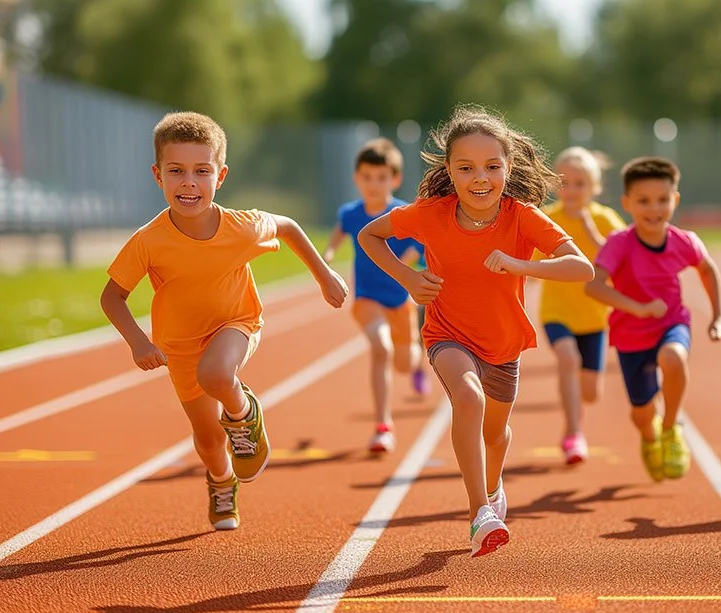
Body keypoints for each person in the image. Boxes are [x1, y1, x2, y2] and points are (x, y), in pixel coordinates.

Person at [358, 104, 594, 558]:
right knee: (468, 399)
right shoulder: (430, 213)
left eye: (491, 166)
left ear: (508, 168)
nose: (479, 178)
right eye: (466, 168)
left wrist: (520, 264)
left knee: (495, 433)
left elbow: (581, 267)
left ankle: (493, 483)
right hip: (448, 333)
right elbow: (371, 235)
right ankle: (478, 513)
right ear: (449, 170)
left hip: (504, 343)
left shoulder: (522, 216)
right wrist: (407, 278)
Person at [100, 111, 348, 531]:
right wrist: (138, 342)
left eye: (202, 171)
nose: (189, 183)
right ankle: (220, 480)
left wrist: (325, 275)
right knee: (209, 439)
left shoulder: (242, 227)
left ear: (221, 175)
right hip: (178, 343)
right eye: (176, 172)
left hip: (237, 321)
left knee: (216, 374)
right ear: (157, 175)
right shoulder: (149, 240)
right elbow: (112, 297)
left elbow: (286, 226)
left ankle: (244, 412)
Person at [585, 157, 721, 482]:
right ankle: (649, 437)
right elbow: (593, 286)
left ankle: (671, 427)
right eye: (644, 201)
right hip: (631, 335)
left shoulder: (684, 240)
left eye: (663, 200)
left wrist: (718, 315)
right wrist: (639, 308)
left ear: (674, 200)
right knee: (641, 412)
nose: (654, 209)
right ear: (627, 204)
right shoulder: (619, 244)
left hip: (671, 323)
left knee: (673, 357)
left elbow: (707, 269)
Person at [322, 137, 430, 454]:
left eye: (381, 177)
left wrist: (405, 261)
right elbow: (341, 230)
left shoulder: (402, 212)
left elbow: (422, 242)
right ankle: (383, 425)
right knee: (379, 348)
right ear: (357, 178)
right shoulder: (351, 212)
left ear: (394, 179)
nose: (373, 184)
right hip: (367, 298)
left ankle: (418, 361)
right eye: (367, 177)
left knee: (404, 363)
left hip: (400, 300)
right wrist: (327, 255)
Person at [539, 147, 625, 465]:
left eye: (580, 184)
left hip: (593, 316)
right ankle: (573, 432)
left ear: (594, 188)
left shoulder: (605, 219)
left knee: (591, 392)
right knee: (566, 357)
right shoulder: (548, 219)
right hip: (556, 312)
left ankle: (578, 417)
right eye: (565, 183)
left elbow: (622, 262)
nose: (571, 190)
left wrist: (591, 232)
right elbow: (530, 260)